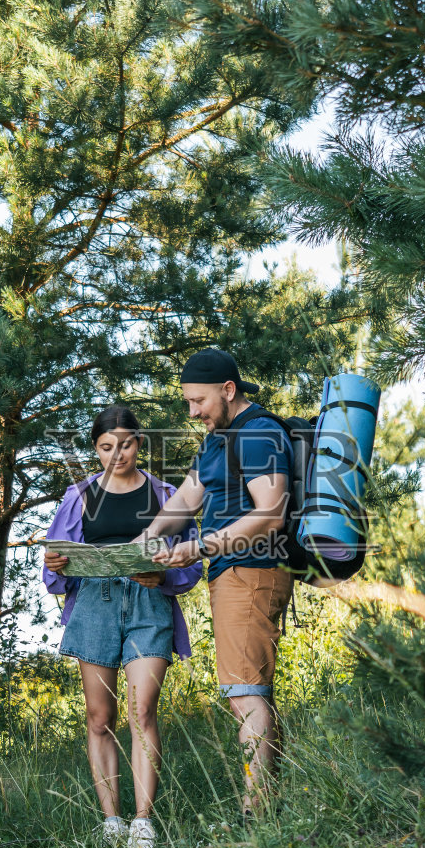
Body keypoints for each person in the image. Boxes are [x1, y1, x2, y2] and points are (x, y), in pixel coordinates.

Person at [42, 405, 201, 848]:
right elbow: (54, 573)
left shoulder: (165, 494)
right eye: (106, 447)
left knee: (142, 710)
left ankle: (142, 822)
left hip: (149, 605)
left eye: (126, 445)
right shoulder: (79, 497)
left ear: (139, 443)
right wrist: (56, 563)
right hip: (95, 604)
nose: (117, 455)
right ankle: (111, 820)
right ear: (96, 449)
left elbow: (191, 563)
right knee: (99, 717)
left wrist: (162, 576)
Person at [143, 348, 293, 814]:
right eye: (187, 402)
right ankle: (272, 804)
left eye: (199, 401)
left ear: (228, 390)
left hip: (253, 570)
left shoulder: (259, 433)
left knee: (244, 695)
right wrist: (144, 540)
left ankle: (256, 814)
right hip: (232, 573)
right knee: (250, 691)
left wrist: (199, 547)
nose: (193, 412)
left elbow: (271, 514)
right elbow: (186, 500)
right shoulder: (215, 442)